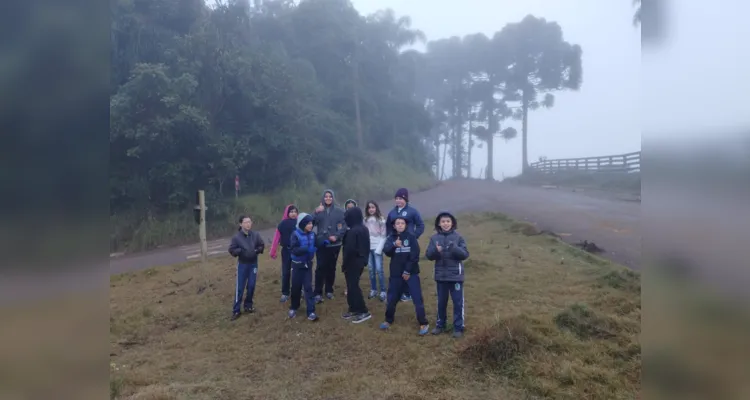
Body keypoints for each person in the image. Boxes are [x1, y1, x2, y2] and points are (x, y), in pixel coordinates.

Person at [379, 216, 430, 336]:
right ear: (394, 226)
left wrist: (407, 271)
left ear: (405, 225)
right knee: (391, 298)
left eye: (402, 223)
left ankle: (423, 322)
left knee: (417, 299)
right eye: (398, 223)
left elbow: (415, 255)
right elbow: (386, 251)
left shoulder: (411, 237)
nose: (400, 225)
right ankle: (388, 320)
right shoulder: (391, 238)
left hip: (411, 274)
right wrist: (394, 246)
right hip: (396, 274)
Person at [425, 211, 470, 338]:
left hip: (456, 276)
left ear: (452, 223)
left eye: (448, 221)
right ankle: (440, 325)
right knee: (441, 302)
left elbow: (465, 254)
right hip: (441, 276)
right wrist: (436, 251)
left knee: (457, 303)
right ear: (439, 223)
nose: (445, 224)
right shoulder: (434, 238)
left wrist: (454, 248)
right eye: (443, 221)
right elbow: (428, 255)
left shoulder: (458, 237)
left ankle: (458, 327)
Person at [385, 188, 425, 302]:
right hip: (396, 244)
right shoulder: (392, 212)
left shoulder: (412, 211)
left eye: (401, 198)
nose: (398, 201)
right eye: (396, 198)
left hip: (409, 244)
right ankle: (399, 291)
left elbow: (421, 225)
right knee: (398, 266)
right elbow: (388, 226)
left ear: (406, 199)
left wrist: (414, 237)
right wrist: (390, 238)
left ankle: (408, 292)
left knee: (409, 265)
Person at [227, 215, 265, 321]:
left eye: (249, 222)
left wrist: (257, 251)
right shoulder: (237, 237)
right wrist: (240, 252)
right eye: (246, 222)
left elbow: (261, 245)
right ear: (241, 224)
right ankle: (236, 310)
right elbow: (231, 249)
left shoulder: (255, 235)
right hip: (243, 265)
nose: (248, 224)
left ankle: (248, 306)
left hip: (253, 264)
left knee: (251, 286)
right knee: (240, 288)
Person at [313, 189, 347, 303]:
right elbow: (310, 223)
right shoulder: (319, 210)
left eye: (330, 196)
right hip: (321, 244)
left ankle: (329, 290)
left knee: (331, 267)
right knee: (320, 267)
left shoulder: (339, 211)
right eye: (326, 196)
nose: (328, 198)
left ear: (333, 198)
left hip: (334, 245)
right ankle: (317, 292)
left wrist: (337, 236)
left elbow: (344, 226)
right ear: (323, 198)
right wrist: (315, 212)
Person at [340, 206, 372, 323]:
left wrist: (344, 264)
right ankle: (353, 308)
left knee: (353, 286)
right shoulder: (363, 229)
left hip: (353, 262)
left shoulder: (353, 231)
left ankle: (363, 311)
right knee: (351, 285)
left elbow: (349, 250)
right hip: (361, 261)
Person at [288, 213, 319, 321]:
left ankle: (311, 311)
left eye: (311, 223)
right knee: (296, 287)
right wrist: (306, 249)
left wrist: (324, 243)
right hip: (297, 265)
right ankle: (294, 307)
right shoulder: (295, 235)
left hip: (308, 264)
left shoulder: (312, 234)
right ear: (302, 224)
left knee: (308, 287)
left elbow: (317, 243)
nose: (311, 226)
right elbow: (293, 249)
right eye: (308, 223)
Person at [269, 204, 299, 303]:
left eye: (295, 212)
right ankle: (285, 293)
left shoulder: (300, 222)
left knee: (298, 271)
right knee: (286, 272)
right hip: (286, 251)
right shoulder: (282, 224)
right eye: (291, 212)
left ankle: (299, 290)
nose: (293, 214)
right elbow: (276, 238)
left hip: (298, 251)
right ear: (287, 213)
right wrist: (273, 251)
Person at [364, 200, 387, 301]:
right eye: (369, 208)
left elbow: (383, 236)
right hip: (368, 248)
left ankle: (383, 290)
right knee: (371, 270)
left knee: (379, 270)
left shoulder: (381, 220)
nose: (371, 209)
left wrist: (379, 249)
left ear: (376, 208)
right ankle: (373, 289)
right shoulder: (365, 220)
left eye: (373, 207)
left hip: (377, 248)